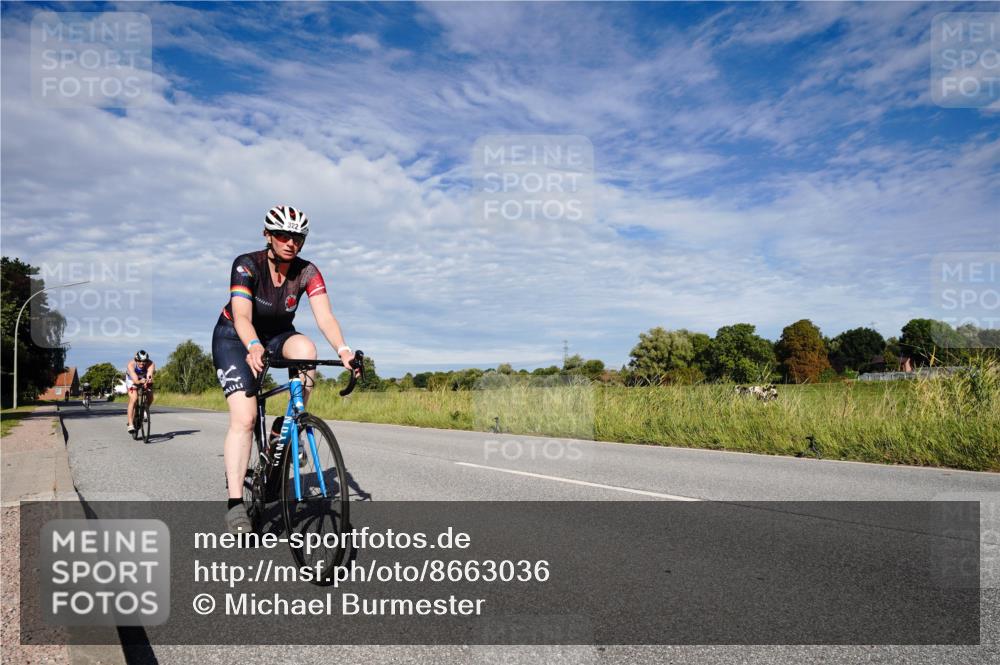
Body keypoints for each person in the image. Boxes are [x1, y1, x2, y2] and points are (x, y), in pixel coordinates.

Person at [212, 205, 359, 534]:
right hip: (236, 338)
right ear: (267, 235)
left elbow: (325, 317)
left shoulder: (308, 272)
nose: (291, 243)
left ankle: (289, 422)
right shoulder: (247, 265)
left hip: (278, 336)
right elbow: (242, 317)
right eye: (283, 235)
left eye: (298, 238)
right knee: (245, 418)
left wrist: (345, 351)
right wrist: (252, 346)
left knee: (307, 349)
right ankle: (236, 504)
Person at [125, 350, 155, 432]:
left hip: (143, 378)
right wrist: (139, 382)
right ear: (136, 360)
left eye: (144, 361)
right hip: (132, 379)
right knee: (134, 398)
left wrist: (148, 381)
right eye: (140, 361)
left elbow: (149, 375)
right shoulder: (131, 365)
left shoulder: (150, 364)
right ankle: (130, 424)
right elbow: (135, 380)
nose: (142, 363)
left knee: (150, 396)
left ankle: (145, 410)